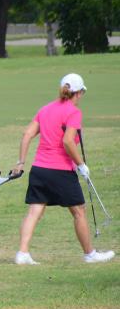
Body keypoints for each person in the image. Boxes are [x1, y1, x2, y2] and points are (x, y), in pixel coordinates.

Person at [11, 73, 114, 265]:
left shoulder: (45, 109)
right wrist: (81, 165)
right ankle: (90, 254)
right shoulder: (73, 112)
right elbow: (68, 141)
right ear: (79, 93)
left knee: (34, 211)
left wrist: (20, 162)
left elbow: (27, 134)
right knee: (79, 211)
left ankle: (22, 253)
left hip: (39, 169)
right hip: (60, 171)